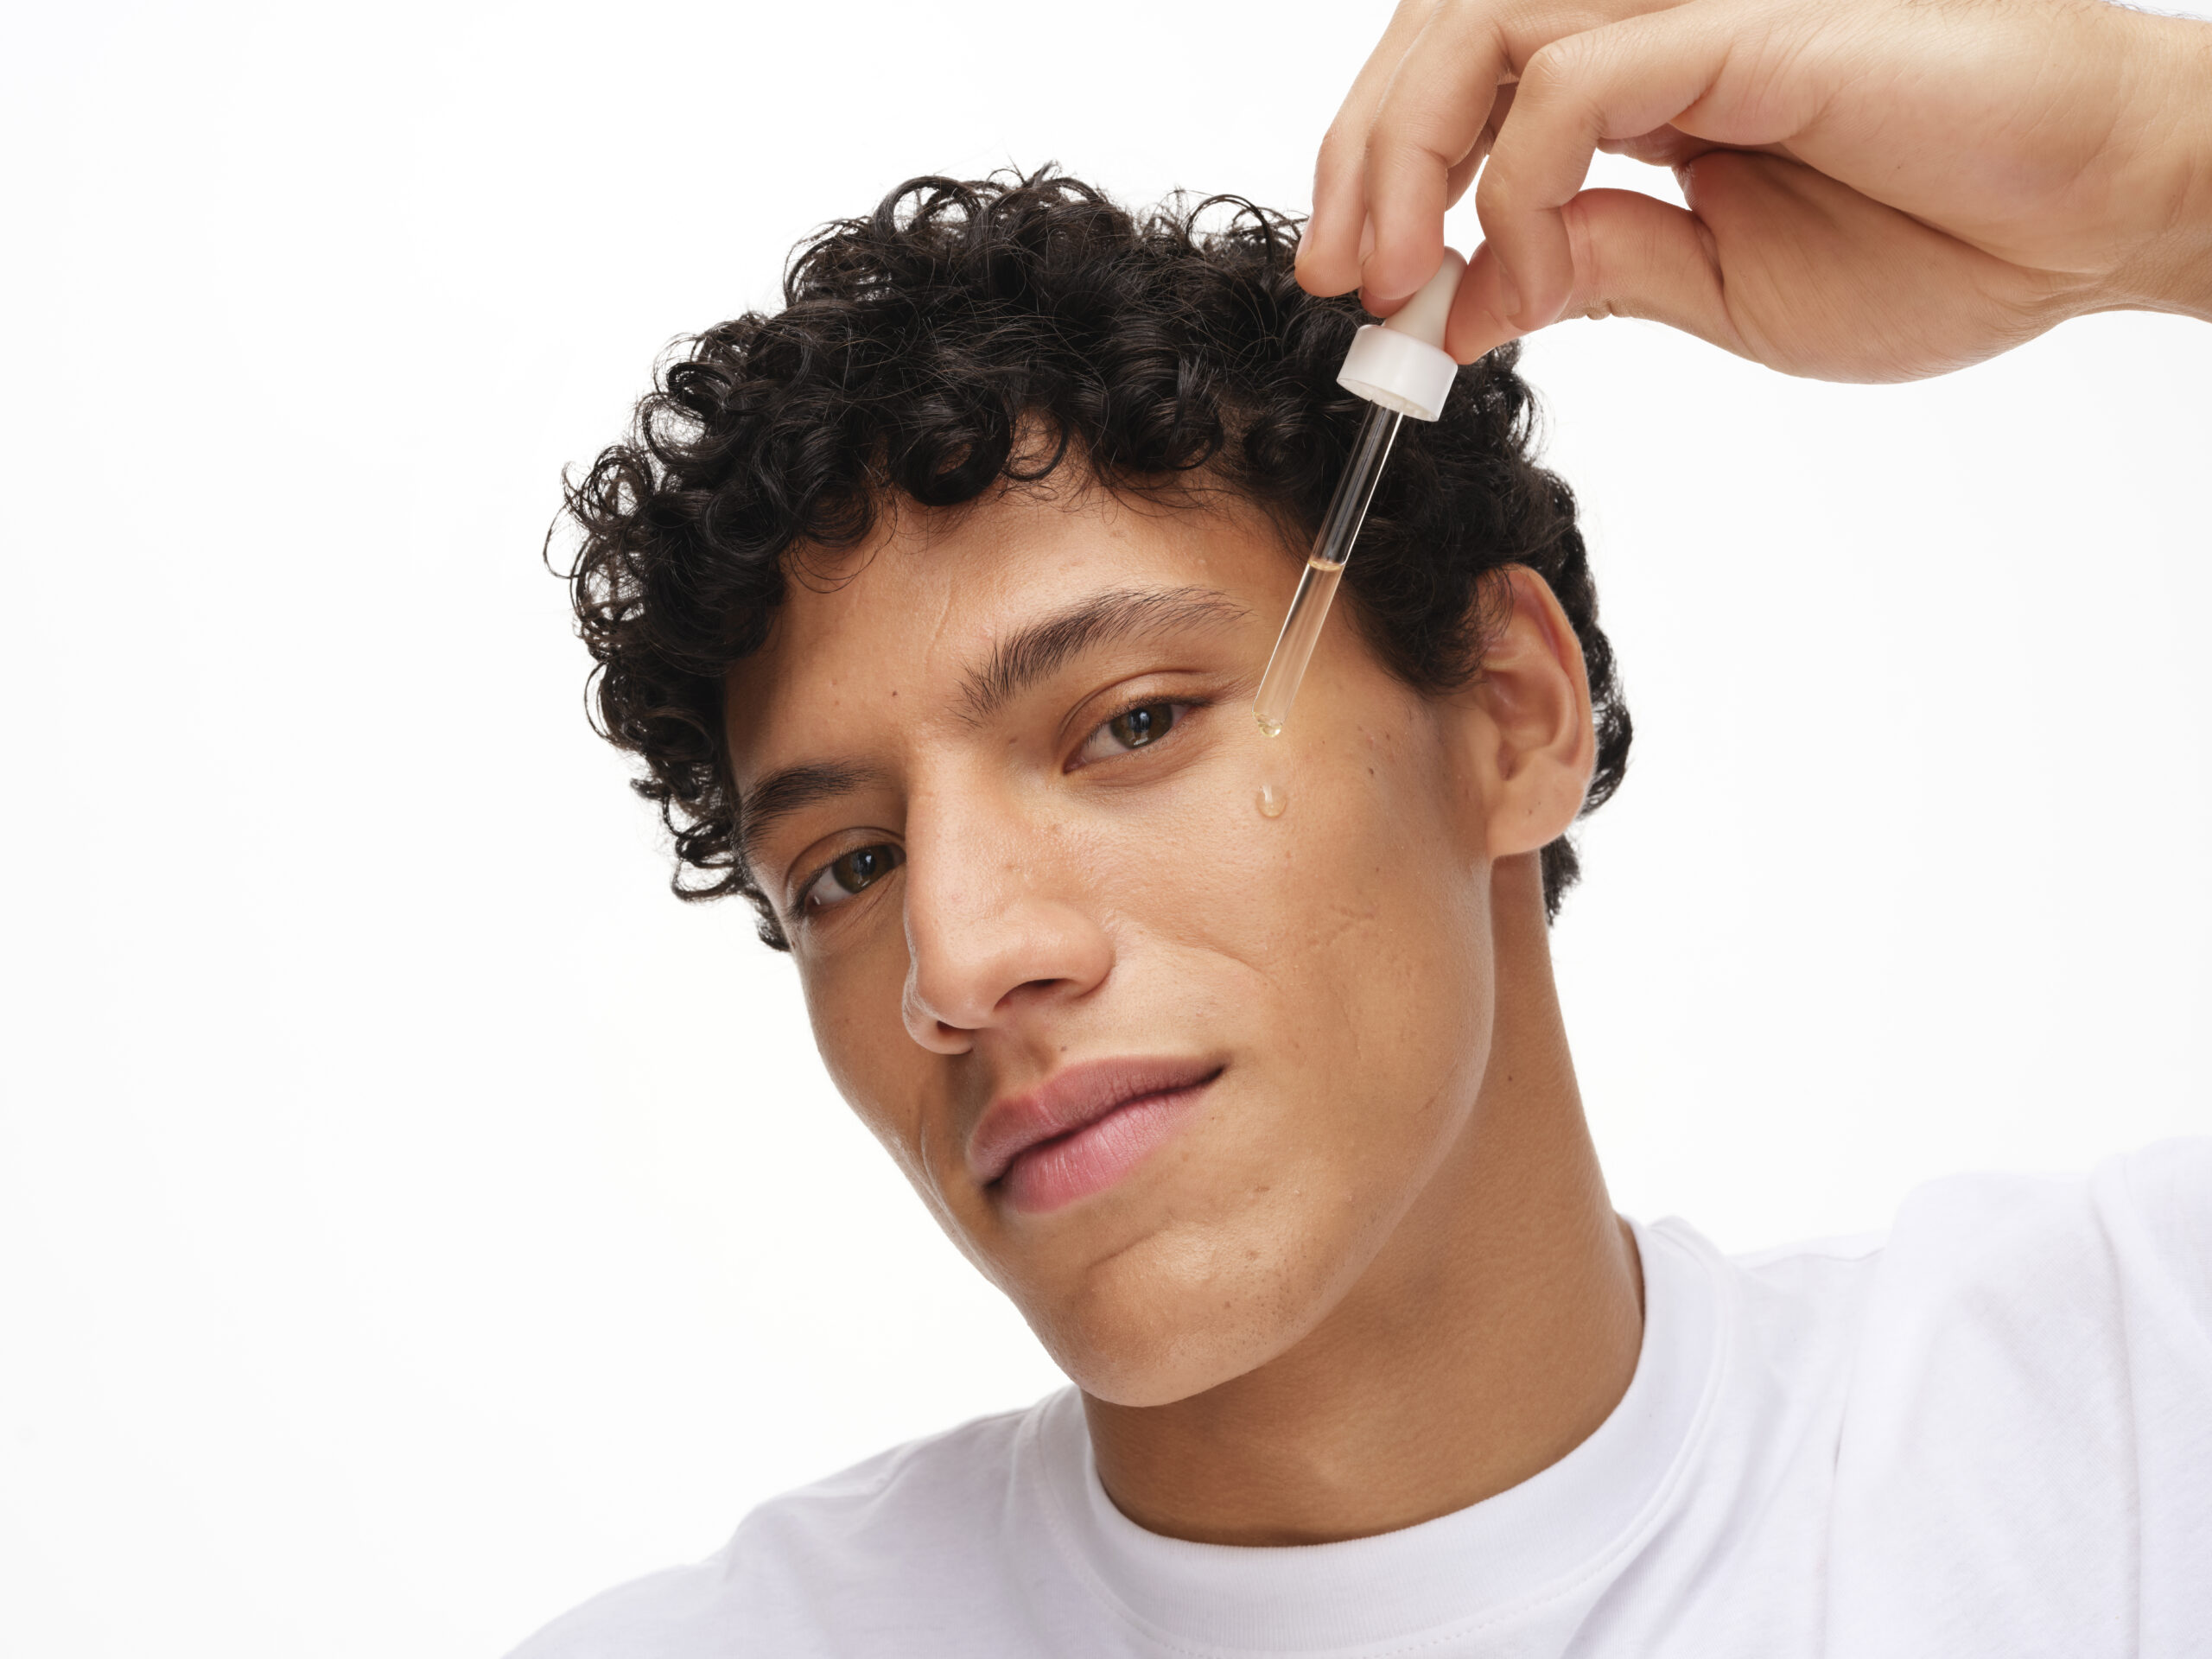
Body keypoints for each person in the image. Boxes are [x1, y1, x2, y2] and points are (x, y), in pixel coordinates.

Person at [510, 0, 2212, 1653]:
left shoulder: (2122, 1430)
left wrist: (2155, 172)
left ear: (1511, 714)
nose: (957, 962)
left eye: (1132, 724)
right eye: (850, 869)